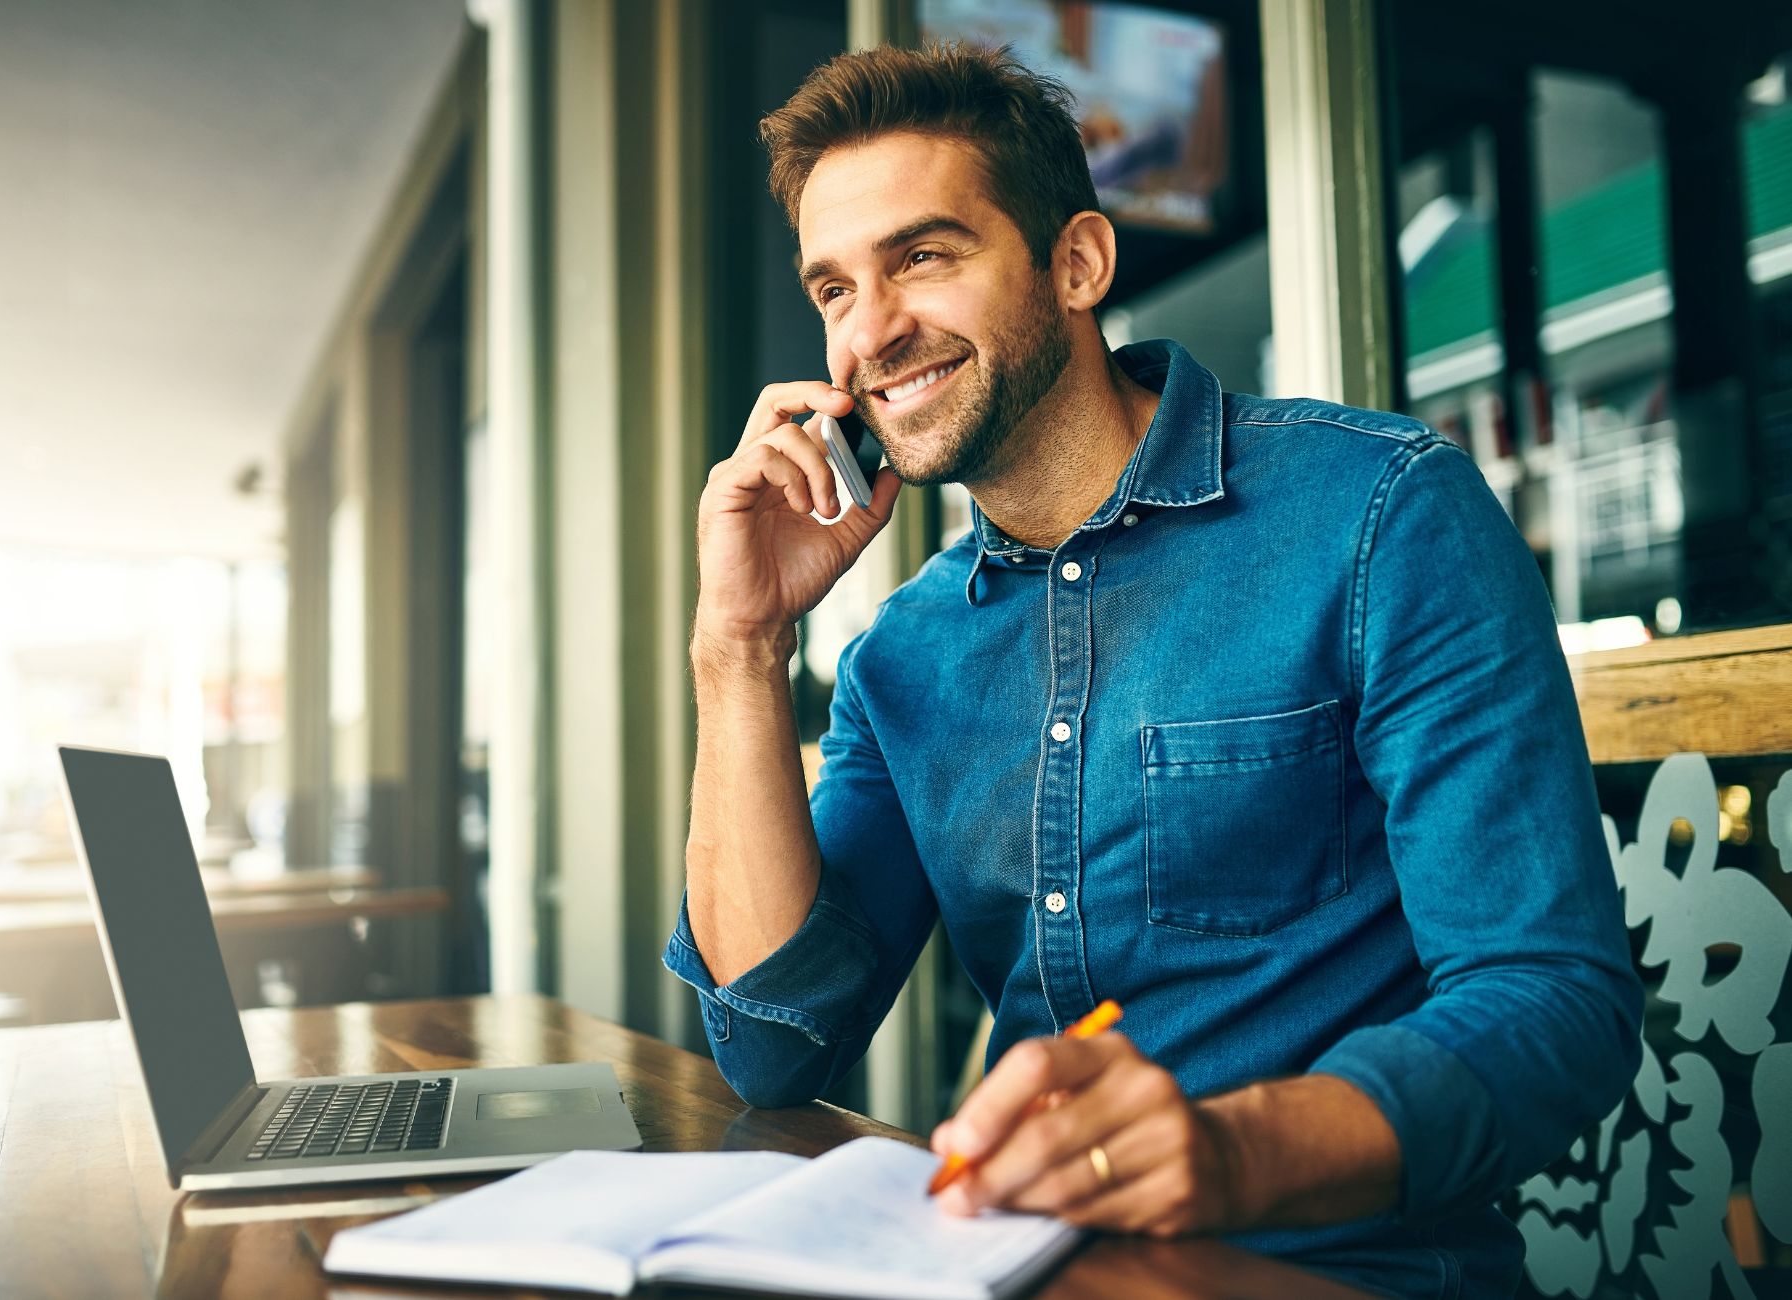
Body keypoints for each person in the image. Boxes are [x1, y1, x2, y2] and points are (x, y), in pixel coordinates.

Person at [662, 42, 1640, 1299]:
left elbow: (1551, 998)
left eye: (921, 256)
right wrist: (737, 648)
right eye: (833, 289)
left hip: (1352, 1273)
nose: (870, 333)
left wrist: (1224, 1155)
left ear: (1076, 262)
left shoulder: (1378, 514)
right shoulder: (901, 656)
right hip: (1019, 1270)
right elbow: (771, 1043)